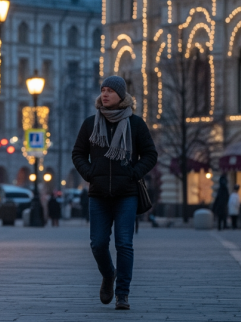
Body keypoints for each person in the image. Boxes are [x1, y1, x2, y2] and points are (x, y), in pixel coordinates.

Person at [72, 76, 158, 311]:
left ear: (121, 95)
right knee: (98, 244)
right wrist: (90, 173)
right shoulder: (91, 124)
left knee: (124, 244)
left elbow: (151, 154)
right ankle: (109, 275)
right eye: (103, 90)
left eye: (110, 90)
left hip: (126, 195)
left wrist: (133, 172)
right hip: (98, 194)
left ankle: (122, 294)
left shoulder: (135, 124)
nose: (105, 94)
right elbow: (78, 153)